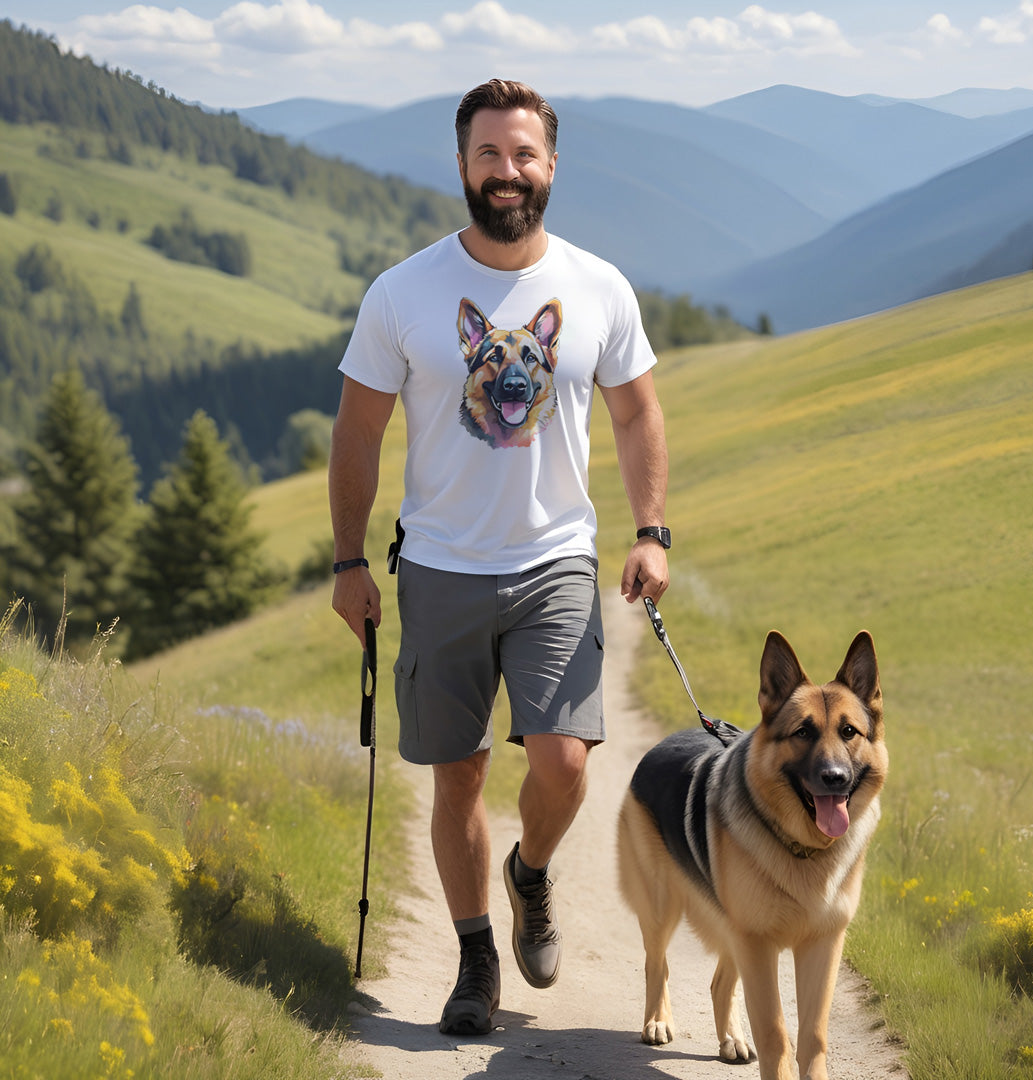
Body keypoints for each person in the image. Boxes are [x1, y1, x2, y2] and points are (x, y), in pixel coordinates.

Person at [329, 78, 670, 1037]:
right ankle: (475, 956)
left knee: (563, 761)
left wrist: (650, 530)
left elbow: (638, 409)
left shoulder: (598, 287)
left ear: (550, 166)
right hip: (438, 565)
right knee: (460, 775)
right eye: (489, 156)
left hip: (556, 559)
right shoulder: (404, 293)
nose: (507, 173)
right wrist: (349, 562)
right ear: (464, 166)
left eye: (524, 156)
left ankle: (530, 875)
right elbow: (358, 431)